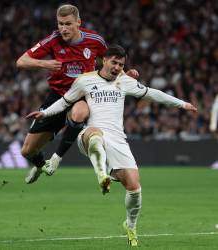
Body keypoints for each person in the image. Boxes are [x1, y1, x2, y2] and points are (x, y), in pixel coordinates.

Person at [26, 45, 197, 247]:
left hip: (117, 140)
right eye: (114, 62)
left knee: (134, 188)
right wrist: (45, 113)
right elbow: (64, 102)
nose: (117, 67)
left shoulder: (125, 81)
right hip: (89, 135)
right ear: (104, 60)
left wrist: (182, 104)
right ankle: (102, 175)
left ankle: (130, 226)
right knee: (95, 136)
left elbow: (153, 93)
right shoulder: (85, 80)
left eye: (121, 64)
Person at [16, 4, 138, 184]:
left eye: (68, 24)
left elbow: (109, 63)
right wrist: (46, 64)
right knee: (27, 151)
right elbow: (21, 61)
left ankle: (57, 159)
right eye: (60, 24)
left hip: (83, 95)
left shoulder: (95, 41)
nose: (63, 29)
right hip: (58, 95)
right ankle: (42, 165)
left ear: (78, 22)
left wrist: (124, 75)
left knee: (80, 113)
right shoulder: (52, 40)